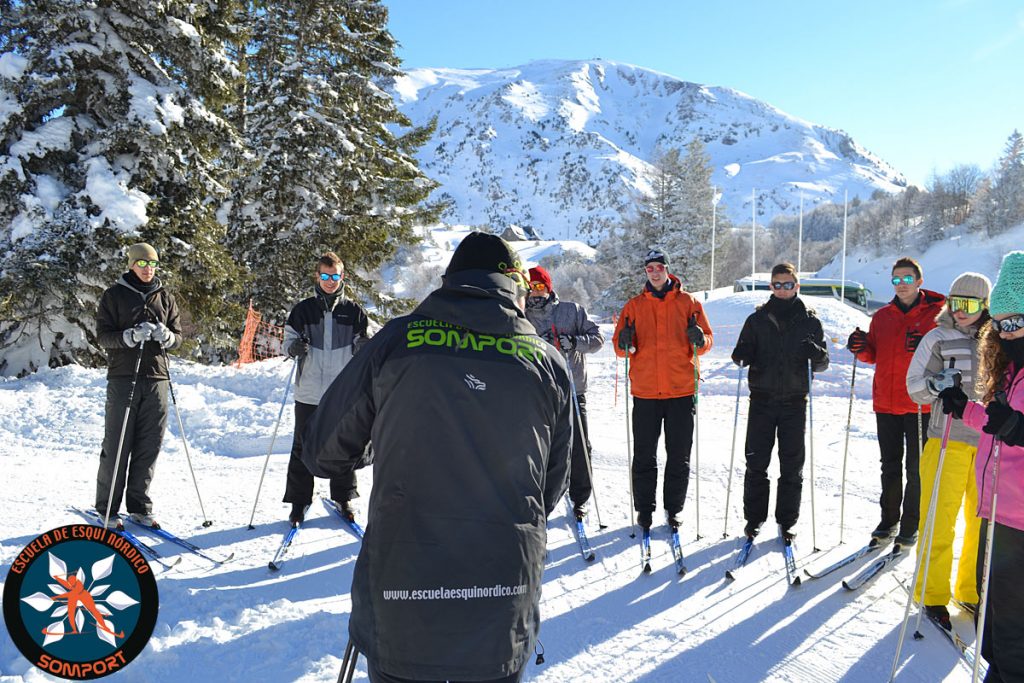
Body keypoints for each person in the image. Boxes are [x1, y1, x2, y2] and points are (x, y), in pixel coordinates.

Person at [302, 232, 572, 683]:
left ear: (448, 281)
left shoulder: (398, 340)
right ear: (515, 288)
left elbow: (323, 451)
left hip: (403, 597)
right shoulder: (547, 363)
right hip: (502, 600)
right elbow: (553, 483)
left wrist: (379, 438)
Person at [906, 272, 991, 629]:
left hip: (987, 444)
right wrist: (934, 385)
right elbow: (914, 388)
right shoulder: (938, 337)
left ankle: (970, 590)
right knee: (939, 520)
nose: (960, 312)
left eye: (969, 305)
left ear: (984, 306)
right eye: (955, 303)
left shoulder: (998, 340)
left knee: (979, 523)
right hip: (946, 440)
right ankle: (932, 593)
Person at [612, 249, 713, 531]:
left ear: (667, 269)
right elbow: (620, 350)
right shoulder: (633, 306)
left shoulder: (688, 302)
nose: (654, 272)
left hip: (681, 391)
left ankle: (674, 509)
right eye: (649, 268)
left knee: (678, 455)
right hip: (645, 393)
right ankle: (645, 509)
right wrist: (623, 341)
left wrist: (700, 339)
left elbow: (708, 341)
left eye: (658, 267)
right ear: (646, 272)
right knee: (644, 455)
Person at [847, 256, 945, 545]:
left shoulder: (937, 315)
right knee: (889, 465)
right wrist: (861, 348)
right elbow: (873, 354)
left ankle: (910, 524)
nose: (901, 285)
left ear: (919, 281)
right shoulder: (882, 316)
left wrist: (927, 346)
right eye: (896, 279)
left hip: (919, 403)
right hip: (886, 403)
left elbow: (946, 351)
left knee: (915, 469)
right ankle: (888, 520)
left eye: (907, 279)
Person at [731, 263, 828, 540]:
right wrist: (742, 354)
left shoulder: (810, 321)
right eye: (777, 284)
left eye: (788, 284)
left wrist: (817, 354)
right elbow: (742, 351)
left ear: (797, 286)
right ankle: (754, 518)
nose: (782, 289)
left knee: (791, 465)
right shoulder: (757, 320)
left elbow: (822, 364)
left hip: (795, 402)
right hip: (761, 399)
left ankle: (787, 520)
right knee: (756, 462)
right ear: (770, 286)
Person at [94, 243, 181, 529]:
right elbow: (103, 336)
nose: (148, 269)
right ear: (131, 264)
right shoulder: (114, 295)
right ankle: (108, 508)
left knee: (149, 444)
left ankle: (139, 506)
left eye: (153, 264)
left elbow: (178, 337)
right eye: (142, 264)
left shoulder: (165, 297)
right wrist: (128, 336)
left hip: (157, 378)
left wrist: (168, 337)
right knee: (118, 443)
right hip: (123, 377)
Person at [281, 251, 369, 526]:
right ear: (317, 277)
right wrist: (294, 348)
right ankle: (299, 500)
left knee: (344, 443)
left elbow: (366, 342)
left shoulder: (354, 311)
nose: (331, 281)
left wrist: (362, 347)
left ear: (343, 277)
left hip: (341, 391)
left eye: (336, 276)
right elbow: (286, 343)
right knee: (302, 446)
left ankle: (343, 496)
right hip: (308, 390)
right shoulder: (303, 310)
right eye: (326, 276)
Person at [524, 265, 604, 520]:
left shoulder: (571, 311)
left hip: (572, 388)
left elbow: (597, 339)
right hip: (538, 392)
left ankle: (580, 497)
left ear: (548, 287)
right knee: (540, 448)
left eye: (539, 287)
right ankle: (541, 495)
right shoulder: (522, 316)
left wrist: (575, 342)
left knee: (580, 445)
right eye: (530, 288)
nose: (534, 293)